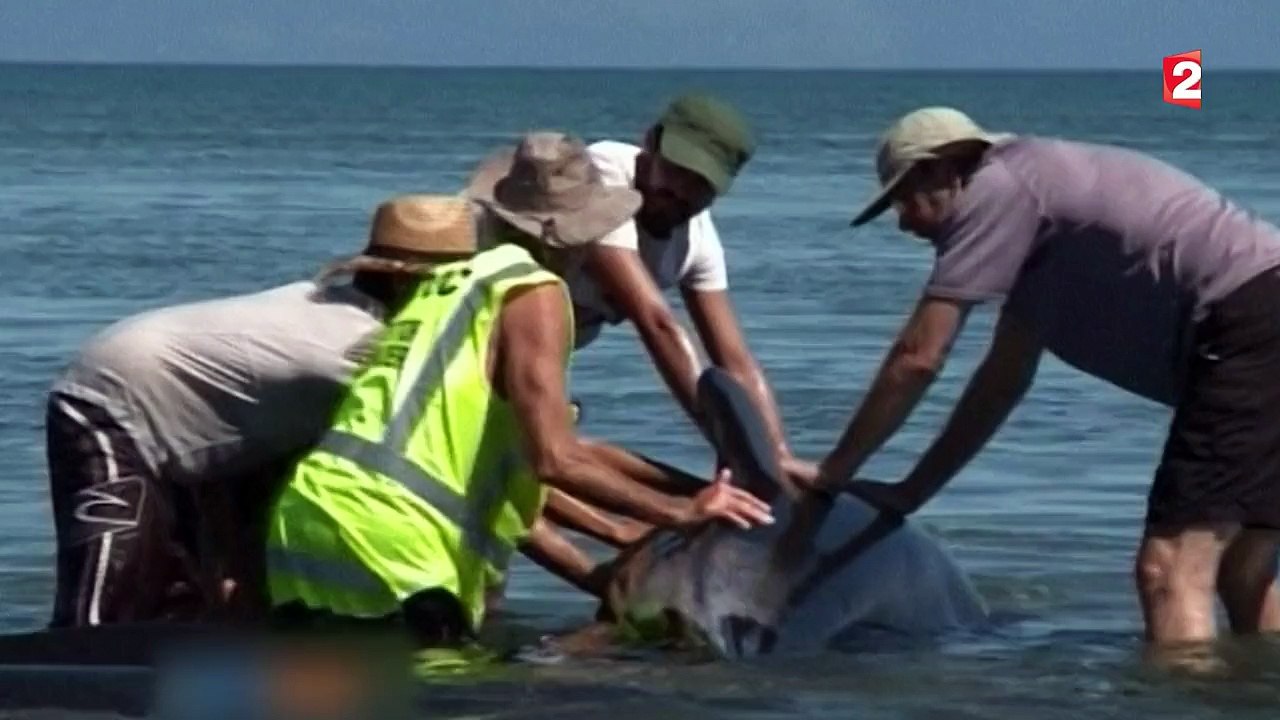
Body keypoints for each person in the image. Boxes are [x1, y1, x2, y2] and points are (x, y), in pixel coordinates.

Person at [790, 106, 1280, 647]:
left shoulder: (996, 189)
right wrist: (912, 491)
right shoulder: (1036, 225)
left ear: (941, 170)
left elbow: (918, 357)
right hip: (1262, 319)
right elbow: (998, 385)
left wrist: (833, 472)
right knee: (1244, 569)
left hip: (1250, 321)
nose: (903, 222)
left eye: (903, 200)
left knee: (1169, 570)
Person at [264, 133, 774, 649]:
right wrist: (680, 513)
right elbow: (557, 459)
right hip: (393, 544)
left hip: (310, 520)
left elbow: (518, 479)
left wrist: (613, 554)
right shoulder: (535, 293)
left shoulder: (447, 283)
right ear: (571, 237)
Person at [42, 195, 479, 628]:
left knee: (200, 597)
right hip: (111, 396)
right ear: (407, 285)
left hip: (226, 419)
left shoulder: (351, 312)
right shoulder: (353, 349)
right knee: (107, 599)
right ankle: (56, 679)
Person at [484, 93, 793, 469]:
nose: (680, 192)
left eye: (700, 184)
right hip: (472, 336)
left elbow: (736, 362)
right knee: (547, 460)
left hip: (527, 361)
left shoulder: (696, 243)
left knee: (539, 460)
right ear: (650, 142)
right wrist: (734, 447)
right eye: (676, 170)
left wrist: (775, 456)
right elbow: (656, 323)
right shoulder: (599, 178)